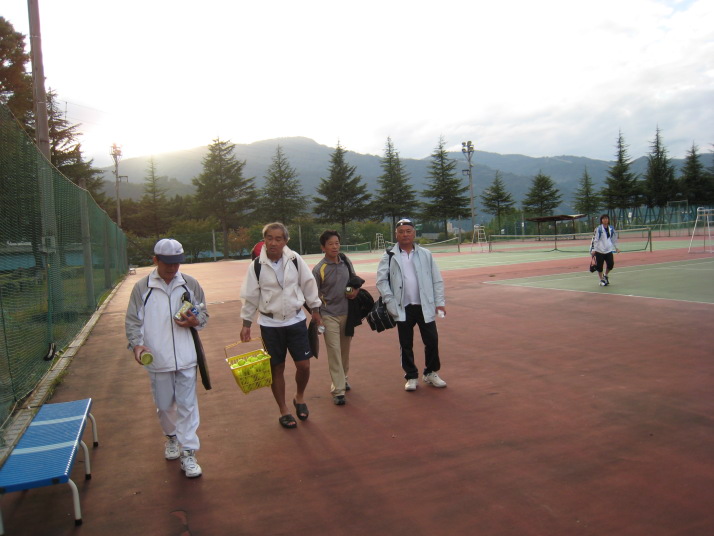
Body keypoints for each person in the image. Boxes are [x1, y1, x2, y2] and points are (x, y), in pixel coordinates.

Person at [125, 238, 208, 478]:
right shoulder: (143, 287)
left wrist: (195, 321)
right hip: (157, 358)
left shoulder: (190, 284)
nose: (173, 268)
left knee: (187, 405)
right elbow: (133, 320)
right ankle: (171, 437)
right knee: (164, 406)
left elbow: (204, 315)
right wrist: (137, 345)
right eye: (167, 263)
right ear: (155, 260)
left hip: (187, 357)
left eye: (177, 262)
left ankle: (188, 452)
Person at [240, 222, 322, 429]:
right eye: (269, 238)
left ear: (285, 241)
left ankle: (299, 397)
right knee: (276, 367)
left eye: (278, 239)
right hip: (270, 324)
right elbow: (250, 296)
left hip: (295, 320)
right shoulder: (257, 266)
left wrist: (315, 309)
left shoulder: (294, 259)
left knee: (304, 365)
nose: (273, 243)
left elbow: (308, 283)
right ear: (264, 240)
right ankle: (284, 410)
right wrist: (246, 322)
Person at [376, 218, 447, 392]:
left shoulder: (425, 254)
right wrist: (390, 300)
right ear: (396, 235)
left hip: (424, 305)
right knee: (406, 343)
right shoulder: (389, 256)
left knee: (432, 340)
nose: (405, 235)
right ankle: (411, 376)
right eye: (401, 232)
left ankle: (430, 372)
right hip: (403, 306)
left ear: (414, 233)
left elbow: (436, 279)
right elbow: (381, 281)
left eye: (408, 231)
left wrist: (440, 302)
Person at [312, 230, 362, 406]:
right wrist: (316, 315)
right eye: (330, 244)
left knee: (344, 350)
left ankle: (344, 378)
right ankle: (338, 390)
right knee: (334, 351)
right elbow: (313, 295)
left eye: (337, 243)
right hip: (328, 315)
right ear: (323, 247)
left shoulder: (345, 261)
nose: (334, 247)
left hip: (347, 313)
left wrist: (353, 291)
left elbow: (353, 281)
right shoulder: (319, 269)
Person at [590, 214, 620, 286]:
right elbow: (595, 240)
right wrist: (593, 249)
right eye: (603, 219)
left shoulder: (611, 228)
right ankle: (601, 280)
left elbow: (614, 239)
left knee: (610, 265)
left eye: (606, 218)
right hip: (599, 251)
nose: (605, 220)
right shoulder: (598, 229)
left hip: (608, 250)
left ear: (608, 220)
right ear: (601, 220)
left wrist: (616, 247)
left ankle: (605, 275)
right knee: (599, 267)